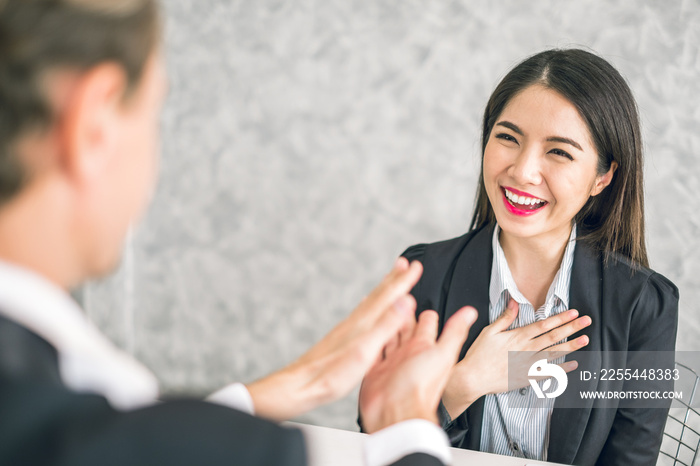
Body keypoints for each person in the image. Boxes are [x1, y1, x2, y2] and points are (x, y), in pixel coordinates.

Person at [0, 1, 480, 465]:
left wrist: (301, 382)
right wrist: (418, 418)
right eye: (153, 112)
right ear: (93, 127)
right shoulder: (434, 266)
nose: (523, 171)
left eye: (559, 152)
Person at [366, 48, 679, 466]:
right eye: (508, 138)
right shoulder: (421, 275)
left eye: (559, 152)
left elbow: (632, 460)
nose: (523, 170)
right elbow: (374, 439)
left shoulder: (647, 305)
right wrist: (462, 385)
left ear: (602, 177)